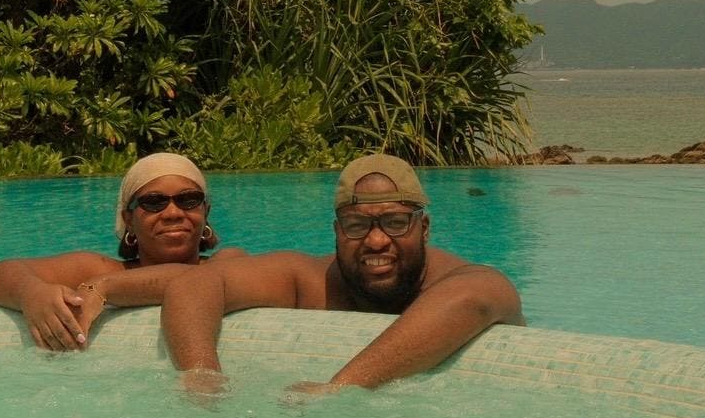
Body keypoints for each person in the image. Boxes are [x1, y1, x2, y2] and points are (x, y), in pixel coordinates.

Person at [71, 153, 524, 393]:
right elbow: (198, 281)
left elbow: (475, 298)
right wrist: (202, 377)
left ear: (423, 228)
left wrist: (340, 390)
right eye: (357, 225)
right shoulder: (309, 278)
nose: (376, 241)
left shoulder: (463, 279)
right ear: (336, 231)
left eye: (395, 222)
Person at [0, 153, 231, 351]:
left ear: (205, 212)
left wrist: (105, 287)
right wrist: (31, 293)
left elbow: (198, 279)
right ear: (128, 219)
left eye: (188, 200)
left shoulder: (227, 263)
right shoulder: (99, 268)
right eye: (154, 202)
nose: (173, 213)